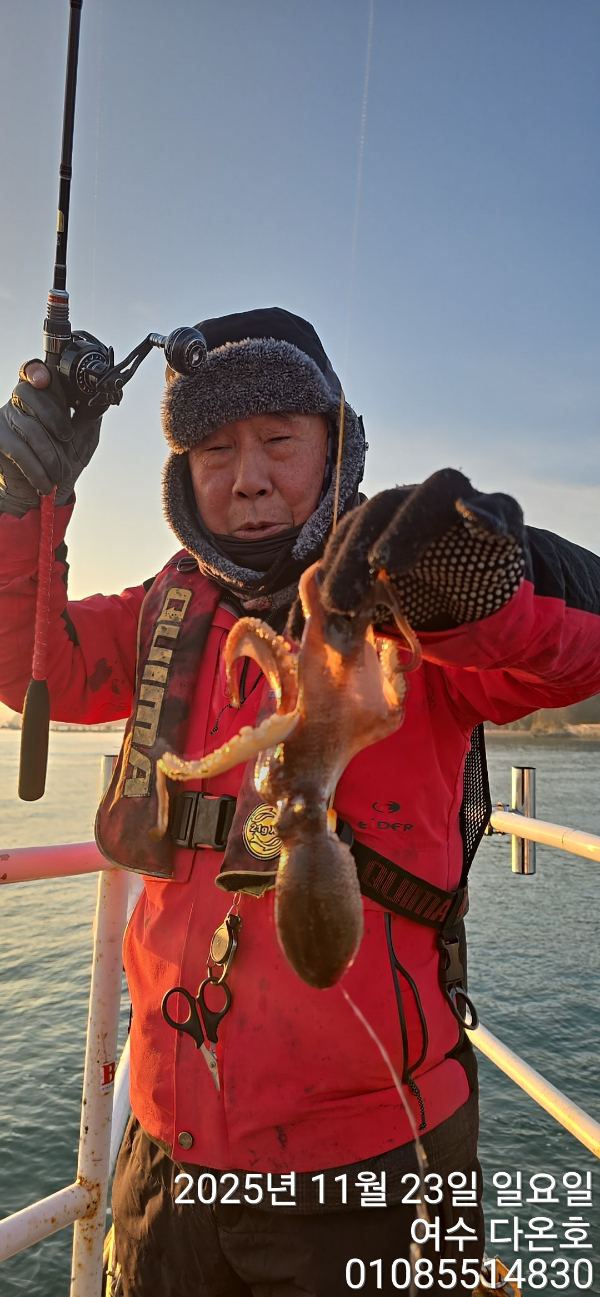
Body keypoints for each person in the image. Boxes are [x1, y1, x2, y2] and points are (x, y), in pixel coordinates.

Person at [1, 307, 600, 1297]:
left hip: (375, 1163)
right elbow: (31, 662)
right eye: (214, 449)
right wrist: (22, 497)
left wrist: (477, 577)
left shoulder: (410, 607)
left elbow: (575, 646)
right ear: (182, 473)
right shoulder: (164, 612)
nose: (248, 476)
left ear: (336, 446)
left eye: (279, 439)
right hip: (167, 1148)